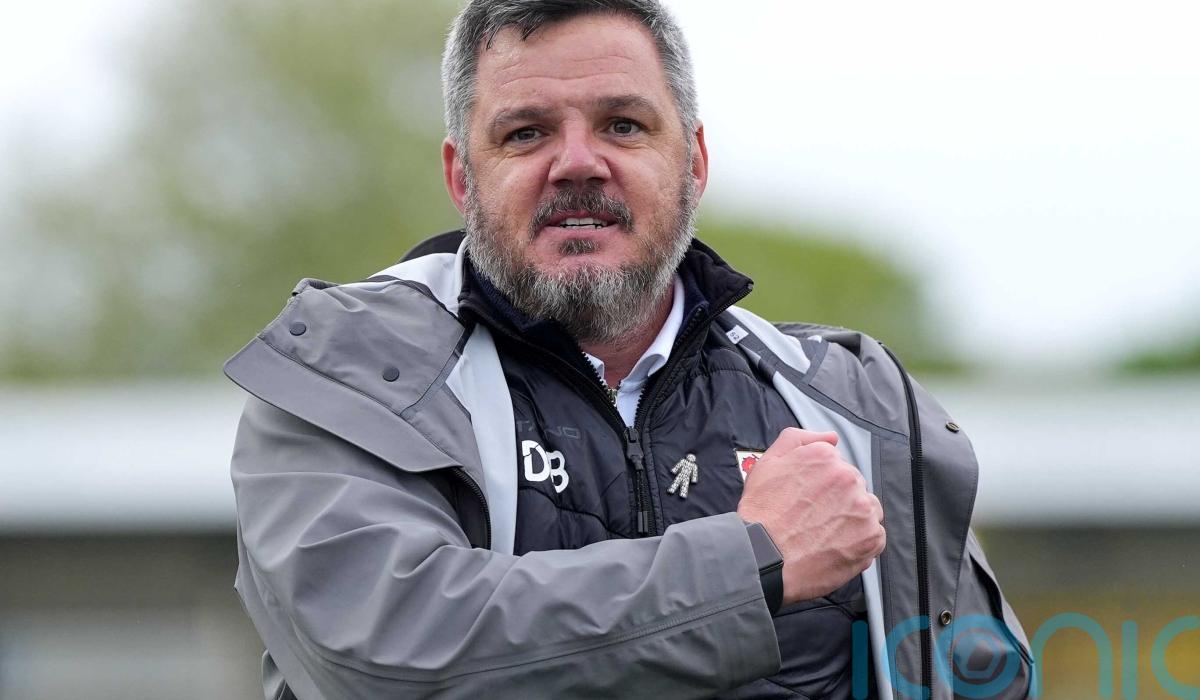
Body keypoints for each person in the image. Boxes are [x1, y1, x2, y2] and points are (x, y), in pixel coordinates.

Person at [224, 1, 1034, 698]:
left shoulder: (855, 409)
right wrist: (751, 562)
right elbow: (384, 656)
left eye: (623, 124)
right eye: (526, 132)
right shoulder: (343, 377)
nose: (577, 163)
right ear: (462, 178)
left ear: (694, 163)